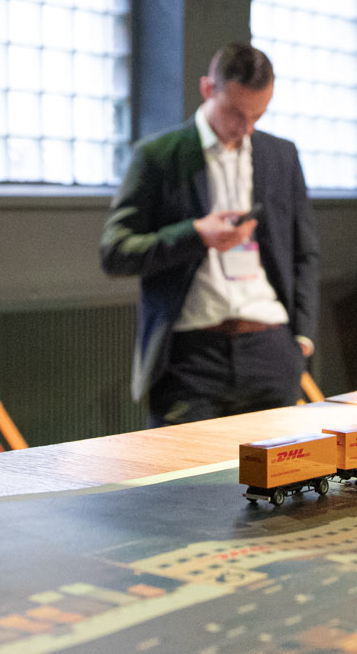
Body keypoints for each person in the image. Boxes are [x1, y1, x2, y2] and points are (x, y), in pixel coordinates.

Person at [101, 43, 319, 425]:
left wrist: (301, 338)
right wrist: (195, 234)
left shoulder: (281, 155)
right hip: (191, 359)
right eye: (235, 112)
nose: (245, 128)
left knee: (280, 464)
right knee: (182, 465)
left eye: (258, 115)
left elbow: (304, 251)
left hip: (270, 350)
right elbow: (115, 252)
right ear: (207, 89)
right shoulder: (158, 155)